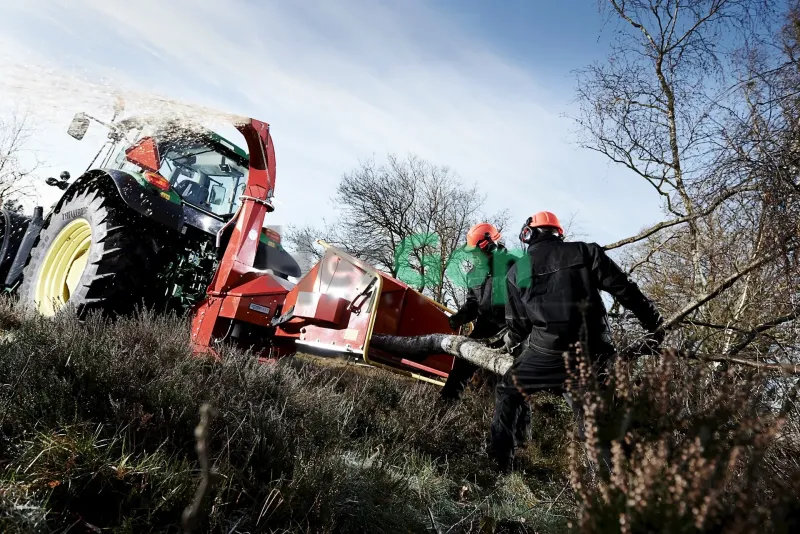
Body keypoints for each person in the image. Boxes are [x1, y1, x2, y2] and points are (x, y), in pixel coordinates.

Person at [488, 211, 665, 474]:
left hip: (544, 353)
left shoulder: (516, 271)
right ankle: (607, 485)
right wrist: (655, 328)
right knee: (593, 417)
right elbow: (627, 291)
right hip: (591, 354)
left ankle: (499, 466)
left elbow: (520, 326)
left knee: (508, 390)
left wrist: (505, 343)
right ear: (558, 233)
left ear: (529, 234)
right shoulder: (585, 251)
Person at [441, 222, 532, 447]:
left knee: (513, 382)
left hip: (514, 330)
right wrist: (459, 317)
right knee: (460, 368)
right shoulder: (475, 273)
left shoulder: (515, 264)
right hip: (485, 328)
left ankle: (521, 438)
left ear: (489, 245)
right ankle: (441, 414)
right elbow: (473, 302)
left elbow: (529, 299)